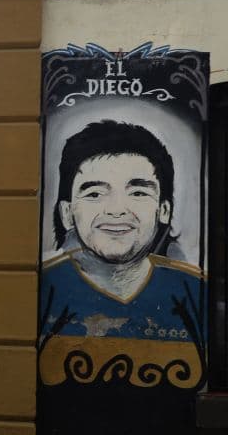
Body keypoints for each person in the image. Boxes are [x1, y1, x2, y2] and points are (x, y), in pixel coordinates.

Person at [38, 120, 205, 388]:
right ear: (67, 213)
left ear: (164, 210)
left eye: (138, 192)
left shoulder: (194, 291)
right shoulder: (43, 286)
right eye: (94, 194)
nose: (116, 210)